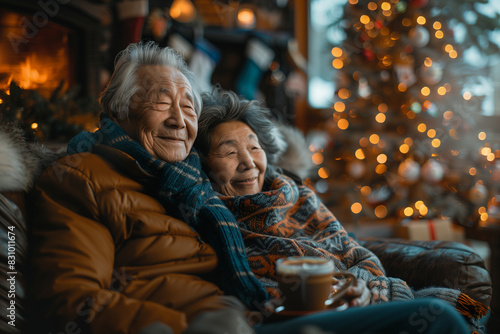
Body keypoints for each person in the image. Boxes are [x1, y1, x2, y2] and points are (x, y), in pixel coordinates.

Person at [27, 41, 472, 334]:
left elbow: (291, 238)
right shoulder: (80, 178)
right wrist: (196, 325)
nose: (180, 120)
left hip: (258, 315)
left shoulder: (187, 182)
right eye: (162, 103)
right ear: (120, 112)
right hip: (215, 326)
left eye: (188, 106)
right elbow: (72, 302)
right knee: (436, 320)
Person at [193, 87, 487, 333]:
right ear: (204, 164)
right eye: (230, 152)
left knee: (455, 314)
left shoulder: (300, 198)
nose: (248, 162)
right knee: (440, 316)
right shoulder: (215, 221)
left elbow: (357, 254)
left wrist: (361, 287)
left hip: (358, 304)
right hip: (304, 320)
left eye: (254, 148)